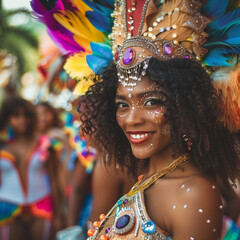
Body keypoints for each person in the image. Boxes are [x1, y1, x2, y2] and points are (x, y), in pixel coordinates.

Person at [0, 96, 64, 240]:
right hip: (7, 207)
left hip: (42, 204)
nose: (22, 120)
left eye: (26, 115)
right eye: (16, 115)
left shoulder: (45, 143)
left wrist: (59, 215)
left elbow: (54, 179)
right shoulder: (2, 145)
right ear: (7, 118)